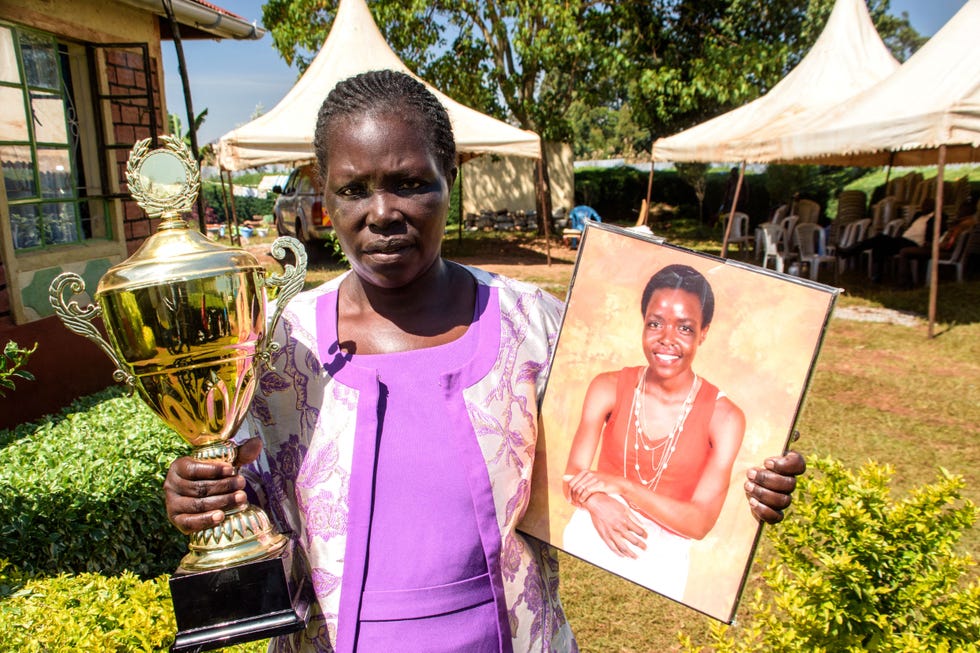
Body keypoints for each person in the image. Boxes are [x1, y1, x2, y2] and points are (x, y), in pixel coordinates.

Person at [163, 70, 805, 653]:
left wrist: (756, 471)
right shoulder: (279, 346)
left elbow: (642, 444)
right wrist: (204, 496)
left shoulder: (536, 325)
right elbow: (243, 484)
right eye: (354, 189)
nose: (382, 212)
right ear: (326, 197)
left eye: (410, 182)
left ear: (451, 180)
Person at [562, 264, 744, 600]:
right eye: (655, 323)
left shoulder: (725, 417)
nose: (666, 339)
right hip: (590, 535)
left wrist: (621, 487)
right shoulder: (607, 387)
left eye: (685, 328)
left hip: (662, 562)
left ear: (704, 332)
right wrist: (600, 502)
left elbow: (699, 523)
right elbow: (572, 476)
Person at [837, 198, 947, 282]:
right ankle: (876, 274)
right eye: (923, 205)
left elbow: (936, 234)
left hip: (915, 243)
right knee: (879, 244)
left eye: (926, 205)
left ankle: (850, 251)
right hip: (904, 239)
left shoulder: (937, 218)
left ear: (933, 206)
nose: (923, 207)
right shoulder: (918, 216)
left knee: (880, 239)